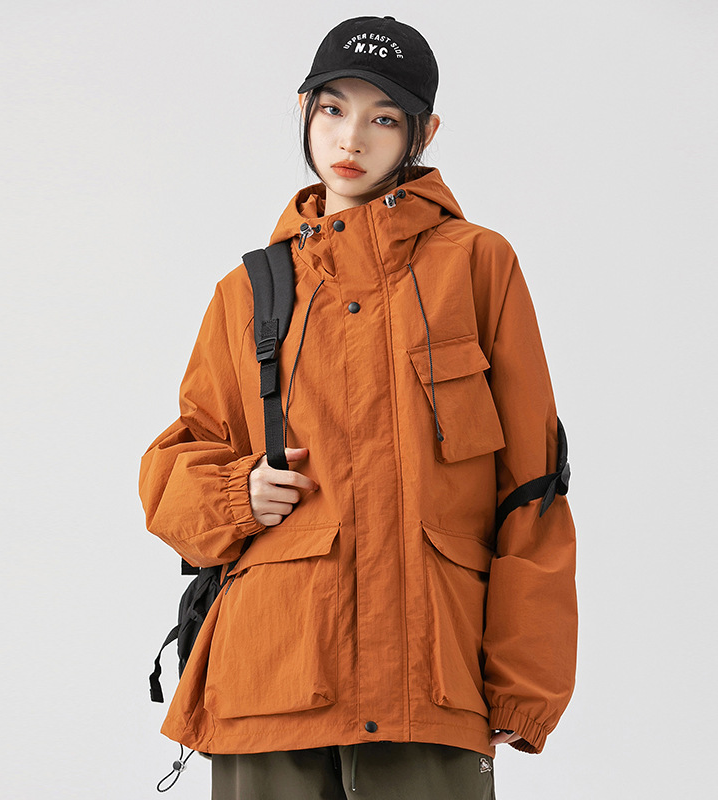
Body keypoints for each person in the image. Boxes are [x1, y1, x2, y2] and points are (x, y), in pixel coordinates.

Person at [139, 15, 577, 800]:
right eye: (333, 109)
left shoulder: (478, 265)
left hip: (428, 683)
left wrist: (524, 685)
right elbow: (174, 467)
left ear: (423, 133)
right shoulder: (248, 291)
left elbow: (533, 488)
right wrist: (238, 494)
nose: (351, 137)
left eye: (383, 118)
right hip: (267, 679)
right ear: (303, 111)